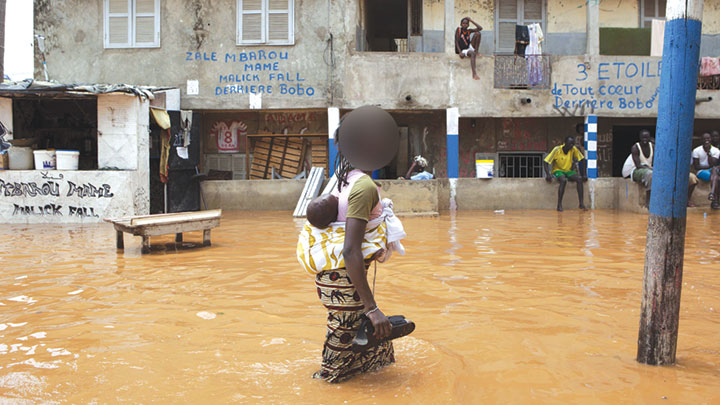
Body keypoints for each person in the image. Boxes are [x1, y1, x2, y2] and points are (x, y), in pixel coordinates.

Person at [296, 106, 413, 383]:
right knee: (333, 370)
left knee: (379, 347)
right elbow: (350, 249)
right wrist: (372, 309)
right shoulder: (363, 187)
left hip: (336, 280)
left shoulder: (339, 181)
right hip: (346, 284)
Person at [544, 136, 587, 212]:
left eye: (572, 144)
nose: (571, 146)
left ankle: (581, 203)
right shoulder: (557, 149)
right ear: (565, 143)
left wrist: (584, 174)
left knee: (579, 179)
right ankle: (559, 204)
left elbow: (582, 160)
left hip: (568, 171)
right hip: (557, 170)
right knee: (563, 180)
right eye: (570, 144)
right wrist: (547, 174)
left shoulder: (573, 149)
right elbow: (546, 161)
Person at [622, 129, 654, 205]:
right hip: (634, 170)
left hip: (647, 169)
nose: (645, 140)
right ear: (640, 138)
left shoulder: (652, 146)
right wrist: (650, 169)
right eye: (643, 138)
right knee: (650, 174)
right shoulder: (635, 148)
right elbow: (638, 165)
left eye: (647, 138)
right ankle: (648, 200)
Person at [689, 132, 720, 207]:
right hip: (701, 172)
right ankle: (714, 199)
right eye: (704, 139)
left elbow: (714, 163)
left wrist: (708, 152)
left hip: (713, 170)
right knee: (715, 176)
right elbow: (696, 167)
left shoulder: (716, 150)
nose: (707, 140)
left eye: (708, 138)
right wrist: (709, 167)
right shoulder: (696, 150)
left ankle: (713, 196)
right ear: (701, 140)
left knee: (715, 173)